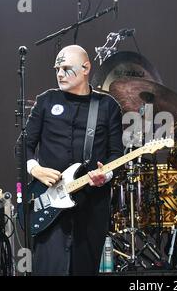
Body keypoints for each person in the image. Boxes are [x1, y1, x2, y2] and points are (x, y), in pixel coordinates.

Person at [25, 45, 123, 275]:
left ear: (86, 68)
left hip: (91, 205)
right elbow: (24, 146)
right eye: (57, 69)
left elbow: (116, 154)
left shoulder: (107, 106)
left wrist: (105, 174)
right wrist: (35, 169)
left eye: (66, 68)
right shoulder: (46, 101)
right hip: (48, 202)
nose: (59, 73)